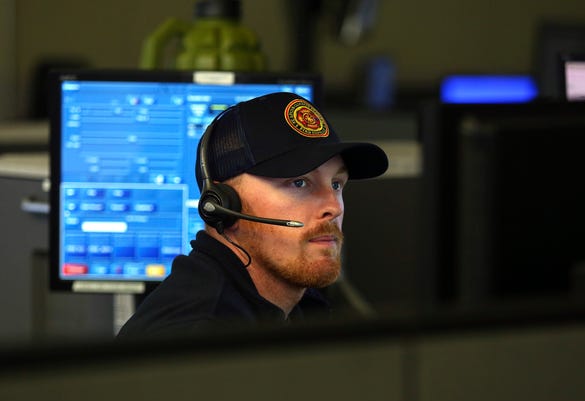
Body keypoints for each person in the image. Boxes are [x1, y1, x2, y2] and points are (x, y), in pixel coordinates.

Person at [116, 92, 388, 338]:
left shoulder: (294, 309)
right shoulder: (197, 339)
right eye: (299, 183)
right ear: (223, 204)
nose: (334, 206)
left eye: (336, 184)